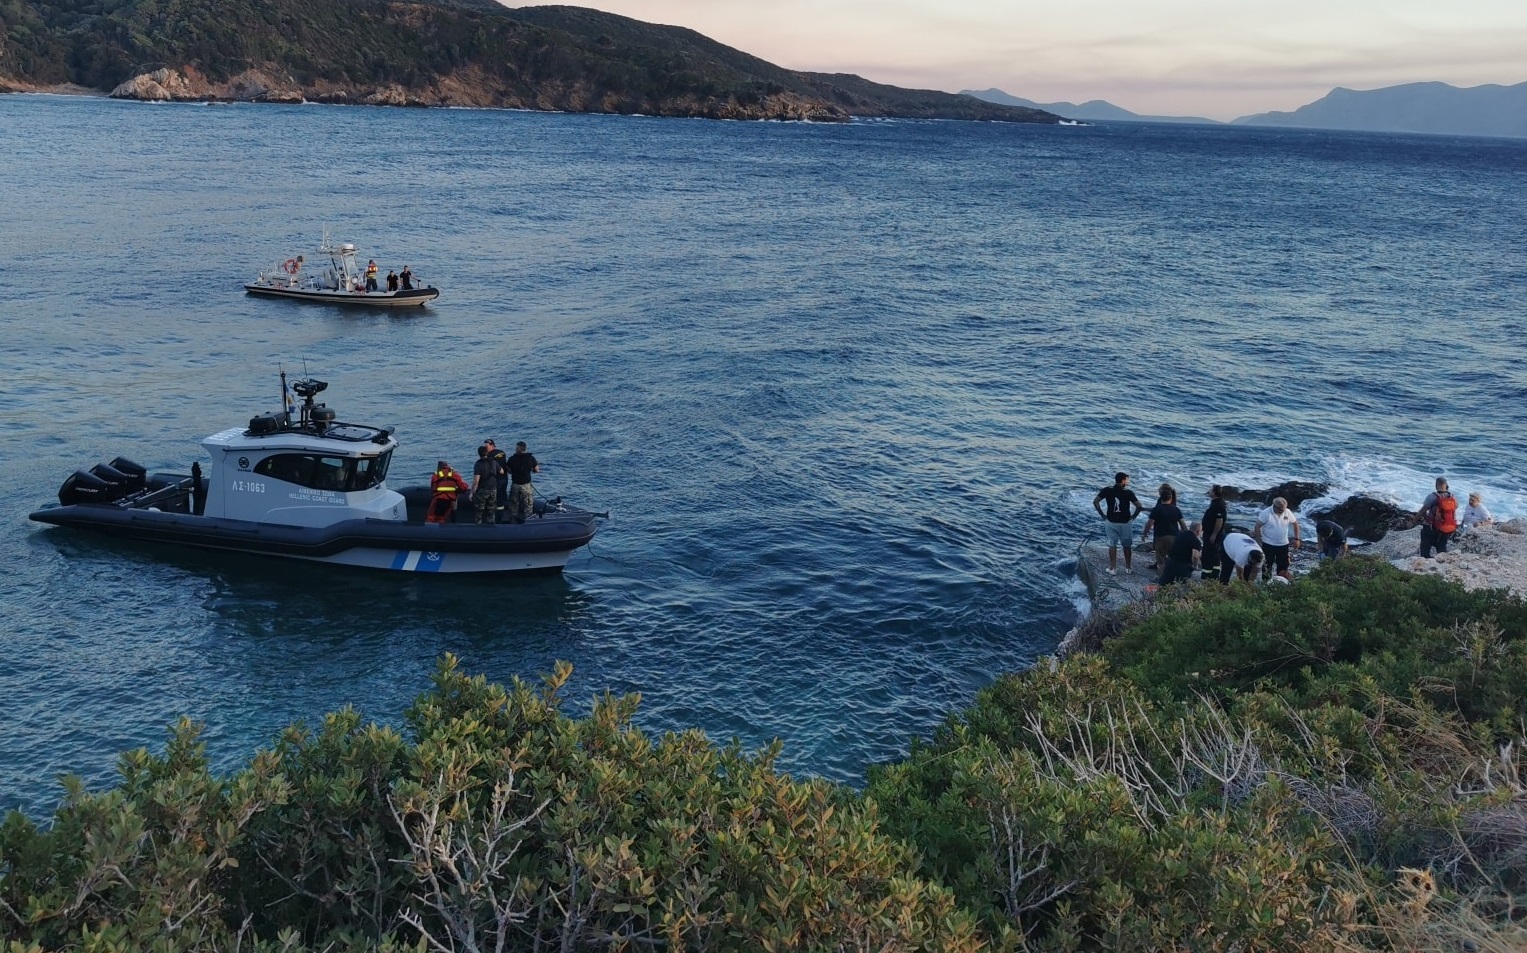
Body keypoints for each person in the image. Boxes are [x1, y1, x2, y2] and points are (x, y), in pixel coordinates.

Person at [1092, 471, 1143, 574]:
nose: (1128, 482)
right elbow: (1139, 506)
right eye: (1127, 480)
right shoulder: (1128, 492)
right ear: (1123, 480)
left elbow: (1096, 501)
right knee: (1127, 546)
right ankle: (1128, 568)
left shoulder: (1107, 490)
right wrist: (1133, 517)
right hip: (1125, 523)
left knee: (1112, 545)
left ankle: (1113, 568)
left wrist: (1102, 515)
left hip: (1111, 522)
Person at [1253, 496, 1301, 580]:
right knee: (1267, 567)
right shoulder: (1266, 513)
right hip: (1268, 544)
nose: (1283, 511)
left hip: (1283, 544)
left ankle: (1281, 585)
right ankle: (1266, 586)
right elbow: (1257, 526)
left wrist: (1297, 539)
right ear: (1274, 506)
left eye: (1284, 509)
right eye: (1281, 510)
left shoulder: (1287, 512)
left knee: (1283, 567)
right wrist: (1258, 541)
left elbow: (1295, 524)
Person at [1141, 483, 1185, 571]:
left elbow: (1150, 523)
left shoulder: (1158, 508)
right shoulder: (1176, 509)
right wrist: (1185, 536)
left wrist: (1145, 533)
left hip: (1160, 535)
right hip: (1173, 536)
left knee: (1160, 559)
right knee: (1172, 556)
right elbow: (1183, 524)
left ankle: (1161, 579)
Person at [1417, 477, 1458, 557]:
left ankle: (1425, 560)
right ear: (1446, 485)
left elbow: (1422, 510)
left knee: (1425, 545)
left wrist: (1414, 520)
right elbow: (1455, 507)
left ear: (1436, 485)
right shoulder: (1452, 497)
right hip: (1447, 526)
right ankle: (1442, 561)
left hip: (1432, 526)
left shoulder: (1433, 496)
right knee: (1442, 546)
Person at [507, 440, 541, 524]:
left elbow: (508, 470)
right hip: (526, 486)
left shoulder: (512, 459)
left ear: (519, 449)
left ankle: (513, 522)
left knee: (514, 505)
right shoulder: (531, 458)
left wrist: (513, 471)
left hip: (515, 485)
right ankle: (529, 522)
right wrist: (530, 469)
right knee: (528, 505)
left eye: (516, 448)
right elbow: (537, 470)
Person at [1158, 521, 1203, 586]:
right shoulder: (1196, 541)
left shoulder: (1180, 535)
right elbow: (1195, 556)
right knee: (1182, 585)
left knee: (1165, 583)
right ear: (1198, 531)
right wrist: (1195, 566)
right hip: (1183, 566)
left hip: (1171, 562)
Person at [426, 460, 469, 524]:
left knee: (431, 517)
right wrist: (458, 491)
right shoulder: (454, 474)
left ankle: (428, 531)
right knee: (442, 517)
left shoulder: (436, 475)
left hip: (438, 498)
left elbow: (433, 488)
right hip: (450, 499)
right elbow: (463, 487)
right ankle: (442, 529)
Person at [1200, 484, 1228, 580]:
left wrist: (1213, 535)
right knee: (1214, 553)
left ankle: (1207, 574)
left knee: (1208, 554)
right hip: (1211, 532)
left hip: (1212, 534)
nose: (1209, 491)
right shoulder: (1216, 503)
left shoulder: (1218, 505)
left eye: (1211, 490)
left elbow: (1219, 521)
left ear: (1215, 492)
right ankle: (1214, 573)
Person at [470, 444, 499, 524]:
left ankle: (479, 526)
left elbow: (476, 482)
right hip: (493, 489)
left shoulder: (478, 464)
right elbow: (501, 471)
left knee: (479, 510)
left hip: (483, 489)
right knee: (491, 509)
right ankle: (491, 526)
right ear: (487, 453)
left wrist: (472, 493)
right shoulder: (493, 461)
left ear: (479, 454)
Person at [484, 438, 509, 522]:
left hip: (497, 480)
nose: (485, 448)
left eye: (486, 446)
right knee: (502, 496)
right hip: (505, 479)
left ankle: (496, 518)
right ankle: (503, 514)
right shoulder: (502, 452)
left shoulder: (490, 456)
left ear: (492, 445)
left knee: (496, 499)